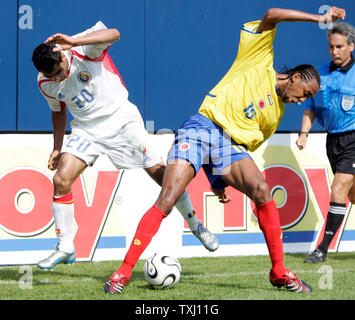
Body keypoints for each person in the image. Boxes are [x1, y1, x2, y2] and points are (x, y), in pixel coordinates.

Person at [104, 6, 346, 295]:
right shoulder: (259, 57)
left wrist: (218, 180)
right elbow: (271, 14)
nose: (301, 101)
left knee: (261, 189)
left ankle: (279, 272)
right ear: (294, 78)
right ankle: (122, 273)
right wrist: (318, 18)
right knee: (168, 197)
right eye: (304, 94)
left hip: (228, 146)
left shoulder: (274, 117)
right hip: (201, 127)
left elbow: (238, 148)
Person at [31, 21, 219, 270]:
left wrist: (76, 41)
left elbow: (116, 33)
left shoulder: (81, 48)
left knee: (163, 178)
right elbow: (58, 111)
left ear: (61, 54)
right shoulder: (45, 83)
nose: (58, 78)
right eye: (52, 76)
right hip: (87, 129)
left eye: (59, 70)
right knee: (60, 181)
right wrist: (57, 147)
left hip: (121, 120)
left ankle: (195, 224)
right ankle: (65, 246)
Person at [296, 22, 355, 263]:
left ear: (351, 46)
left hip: (354, 137)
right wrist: (303, 133)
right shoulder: (319, 74)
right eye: (331, 46)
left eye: (339, 46)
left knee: (338, 188)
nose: (334, 51)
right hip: (333, 141)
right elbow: (309, 107)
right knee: (351, 195)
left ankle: (322, 248)